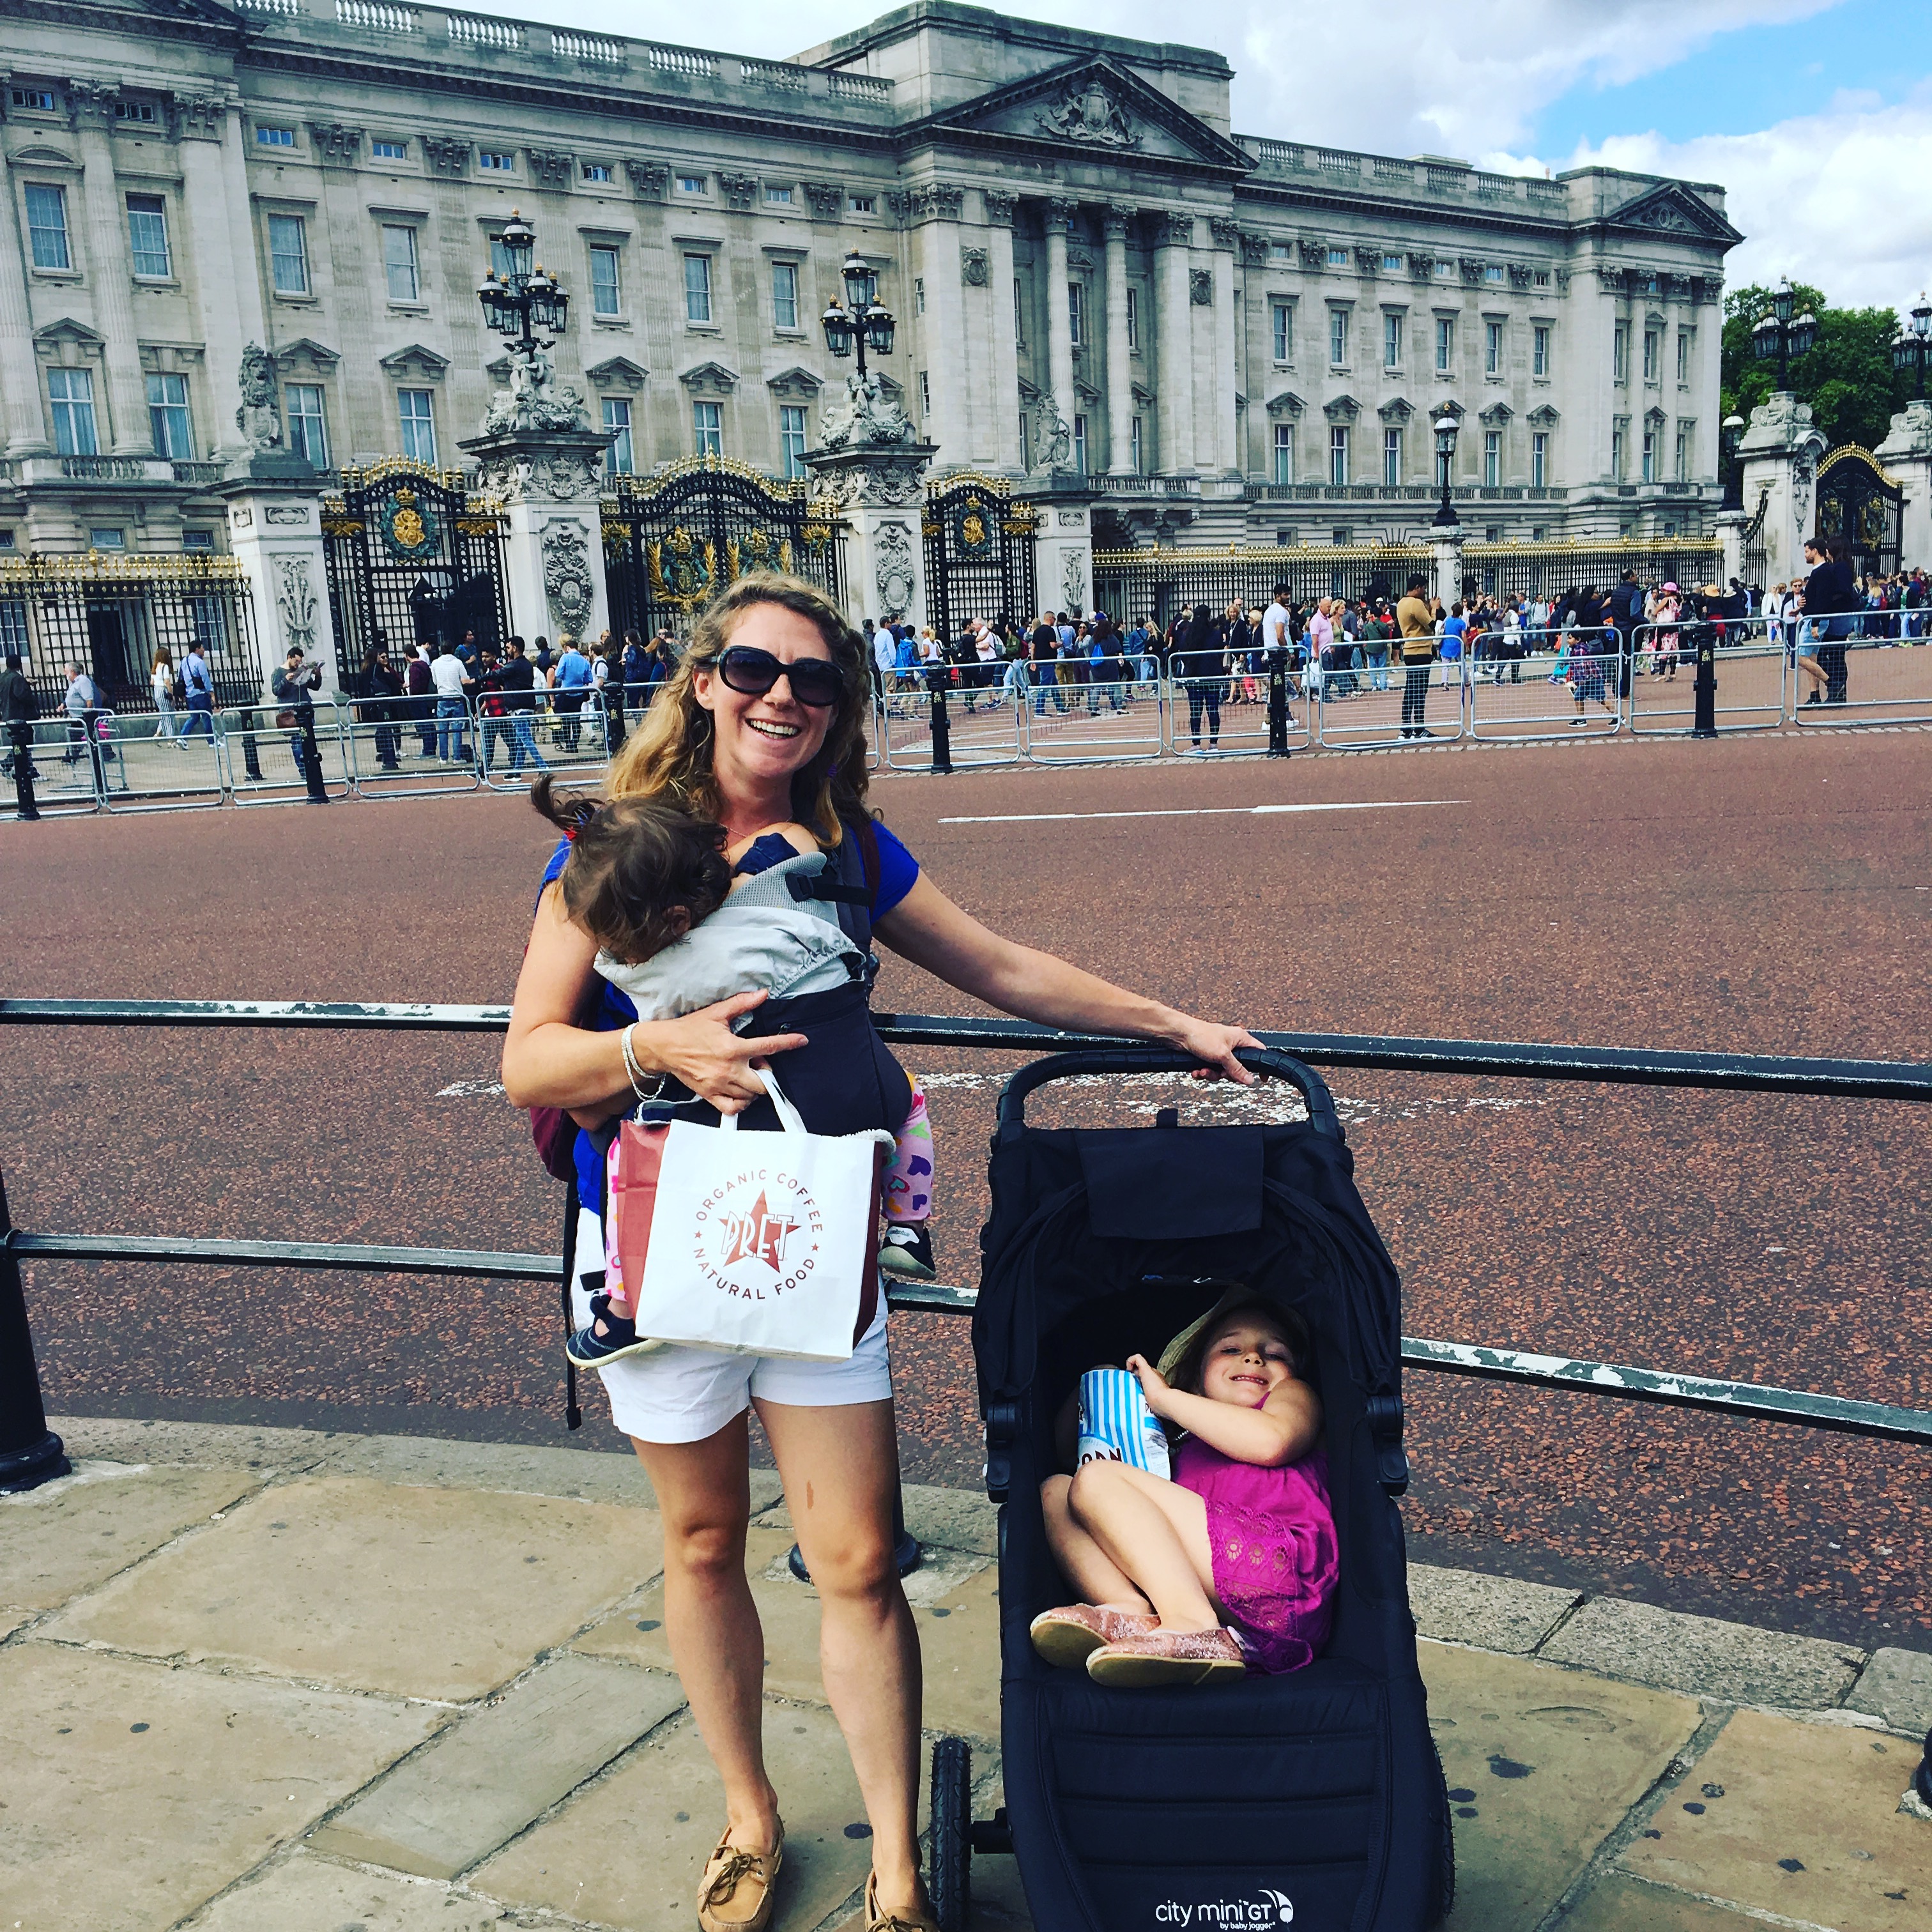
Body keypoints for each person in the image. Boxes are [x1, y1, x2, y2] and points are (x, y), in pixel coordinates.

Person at [501, 572, 1258, 1932]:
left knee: (856, 1560)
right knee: (703, 1540)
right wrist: (648, 1045)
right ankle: (749, 1818)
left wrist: (1172, 1021)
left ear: (843, 704)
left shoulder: (853, 849)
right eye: (753, 668)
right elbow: (527, 1061)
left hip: (814, 1241)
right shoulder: (613, 849)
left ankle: (900, 1874)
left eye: (816, 678)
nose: (782, 695)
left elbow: (1005, 969)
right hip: (656, 1246)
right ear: (701, 683)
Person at [535, 790, 942, 1360]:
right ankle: (908, 1226)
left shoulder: (655, 973)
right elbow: (795, 847)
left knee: (627, 1160)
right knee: (909, 1104)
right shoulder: (789, 876)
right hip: (846, 1108)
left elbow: (574, 1100)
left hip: (701, 1183)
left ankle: (625, 1310)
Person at [1032, 1293, 1335, 1687]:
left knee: (1100, 1479)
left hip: (1283, 1575)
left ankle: (1191, 1622)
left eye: (1275, 1354)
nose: (1254, 1358)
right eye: (1231, 1348)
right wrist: (1098, 1388)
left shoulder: (1289, 1397)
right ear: (1196, 1378)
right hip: (1214, 1594)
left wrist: (1168, 1399)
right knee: (1057, 1492)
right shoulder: (1177, 1446)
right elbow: (1067, 1456)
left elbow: (1272, 1441)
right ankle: (1133, 1610)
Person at [1798, 536, 1858, 705]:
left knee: (1831, 655)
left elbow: (1841, 592)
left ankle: (1835, 688)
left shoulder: (1840, 568)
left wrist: (1821, 603)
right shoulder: (1838, 567)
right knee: (1831, 655)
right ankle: (1835, 691)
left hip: (1838, 617)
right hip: (1835, 616)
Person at [270, 645, 325, 793]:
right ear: (289, 658)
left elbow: (315, 686)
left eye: (300, 662)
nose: (298, 665)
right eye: (296, 662)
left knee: (309, 740)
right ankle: (303, 770)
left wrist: (317, 674)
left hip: (306, 709)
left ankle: (312, 767)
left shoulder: (301, 671)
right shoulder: (279, 672)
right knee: (297, 742)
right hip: (290, 713)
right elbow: (276, 691)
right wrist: (286, 680)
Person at [497, 636, 551, 778]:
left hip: (519, 705)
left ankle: (543, 766)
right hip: (523, 705)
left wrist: (475, 679)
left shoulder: (516, 665)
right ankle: (517, 771)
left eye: (508, 647)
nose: (507, 650)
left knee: (525, 739)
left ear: (515, 648)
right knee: (520, 740)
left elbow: (499, 674)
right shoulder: (525, 664)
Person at [1395, 574, 1439, 739]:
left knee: (1411, 690)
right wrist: (1434, 609)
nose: (1425, 591)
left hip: (1409, 650)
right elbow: (1431, 626)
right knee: (1420, 691)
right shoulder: (1416, 603)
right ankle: (1419, 728)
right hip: (1421, 650)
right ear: (1418, 587)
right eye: (1424, 588)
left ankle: (1406, 727)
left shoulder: (1402, 603)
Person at [1176, 604, 1222, 751]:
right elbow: (1220, 652)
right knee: (1213, 710)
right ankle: (1213, 743)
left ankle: (1196, 743)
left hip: (1194, 676)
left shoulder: (1188, 633)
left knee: (1195, 710)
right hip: (1212, 675)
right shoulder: (1215, 633)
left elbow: (1182, 653)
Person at [1, 650, 41, 819]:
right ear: (19, 665)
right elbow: (21, 695)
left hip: (7, 714)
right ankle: (15, 765)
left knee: (21, 742)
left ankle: (18, 765)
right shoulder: (17, 679)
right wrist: (30, 693)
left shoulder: (3, 677)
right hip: (19, 715)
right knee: (26, 741)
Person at [360, 645, 404, 769]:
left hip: (370, 702)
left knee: (380, 729)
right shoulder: (377, 667)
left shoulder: (363, 669)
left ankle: (382, 753)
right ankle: (388, 757)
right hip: (381, 701)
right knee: (386, 729)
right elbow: (389, 682)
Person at [429, 639, 473, 763]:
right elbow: (465, 679)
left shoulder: (435, 663)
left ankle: (443, 757)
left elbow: (435, 681)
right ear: (453, 650)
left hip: (442, 697)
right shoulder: (458, 662)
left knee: (443, 729)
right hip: (457, 697)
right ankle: (457, 757)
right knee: (457, 729)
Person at [553, 635, 594, 753]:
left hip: (566, 691)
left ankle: (567, 743)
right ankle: (574, 743)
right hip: (579, 693)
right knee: (576, 718)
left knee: (566, 719)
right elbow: (589, 679)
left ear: (567, 647)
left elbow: (558, 674)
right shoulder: (584, 661)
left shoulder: (565, 657)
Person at [179, 638, 215, 743]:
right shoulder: (199, 662)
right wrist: (211, 693)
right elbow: (205, 678)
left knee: (194, 718)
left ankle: (182, 737)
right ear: (197, 649)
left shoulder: (184, 661)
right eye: (202, 648)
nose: (204, 650)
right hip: (200, 694)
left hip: (189, 695)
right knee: (207, 716)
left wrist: (182, 694)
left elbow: (180, 678)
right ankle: (211, 741)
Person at [406, 644, 438, 758]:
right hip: (428, 697)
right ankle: (431, 748)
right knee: (429, 724)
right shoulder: (424, 664)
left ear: (406, 655)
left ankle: (428, 750)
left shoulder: (414, 668)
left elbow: (415, 687)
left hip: (419, 700)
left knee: (424, 726)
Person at [150, 650, 183, 743]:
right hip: (163, 690)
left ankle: (159, 734)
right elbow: (167, 682)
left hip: (156, 691)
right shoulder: (165, 667)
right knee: (169, 715)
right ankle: (170, 739)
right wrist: (171, 694)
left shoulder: (155, 667)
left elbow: (152, 682)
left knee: (164, 714)